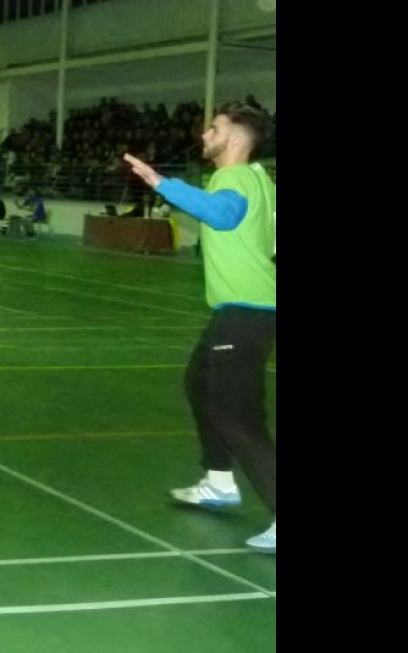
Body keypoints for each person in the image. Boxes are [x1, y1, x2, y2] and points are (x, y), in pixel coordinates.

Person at [123, 100, 276, 553]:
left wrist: (160, 182)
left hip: (246, 311)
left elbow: (224, 215)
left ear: (235, 137)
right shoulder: (262, 181)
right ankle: (219, 480)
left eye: (214, 128)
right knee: (200, 381)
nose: (205, 134)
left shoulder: (231, 178)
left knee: (238, 417)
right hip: (244, 308)